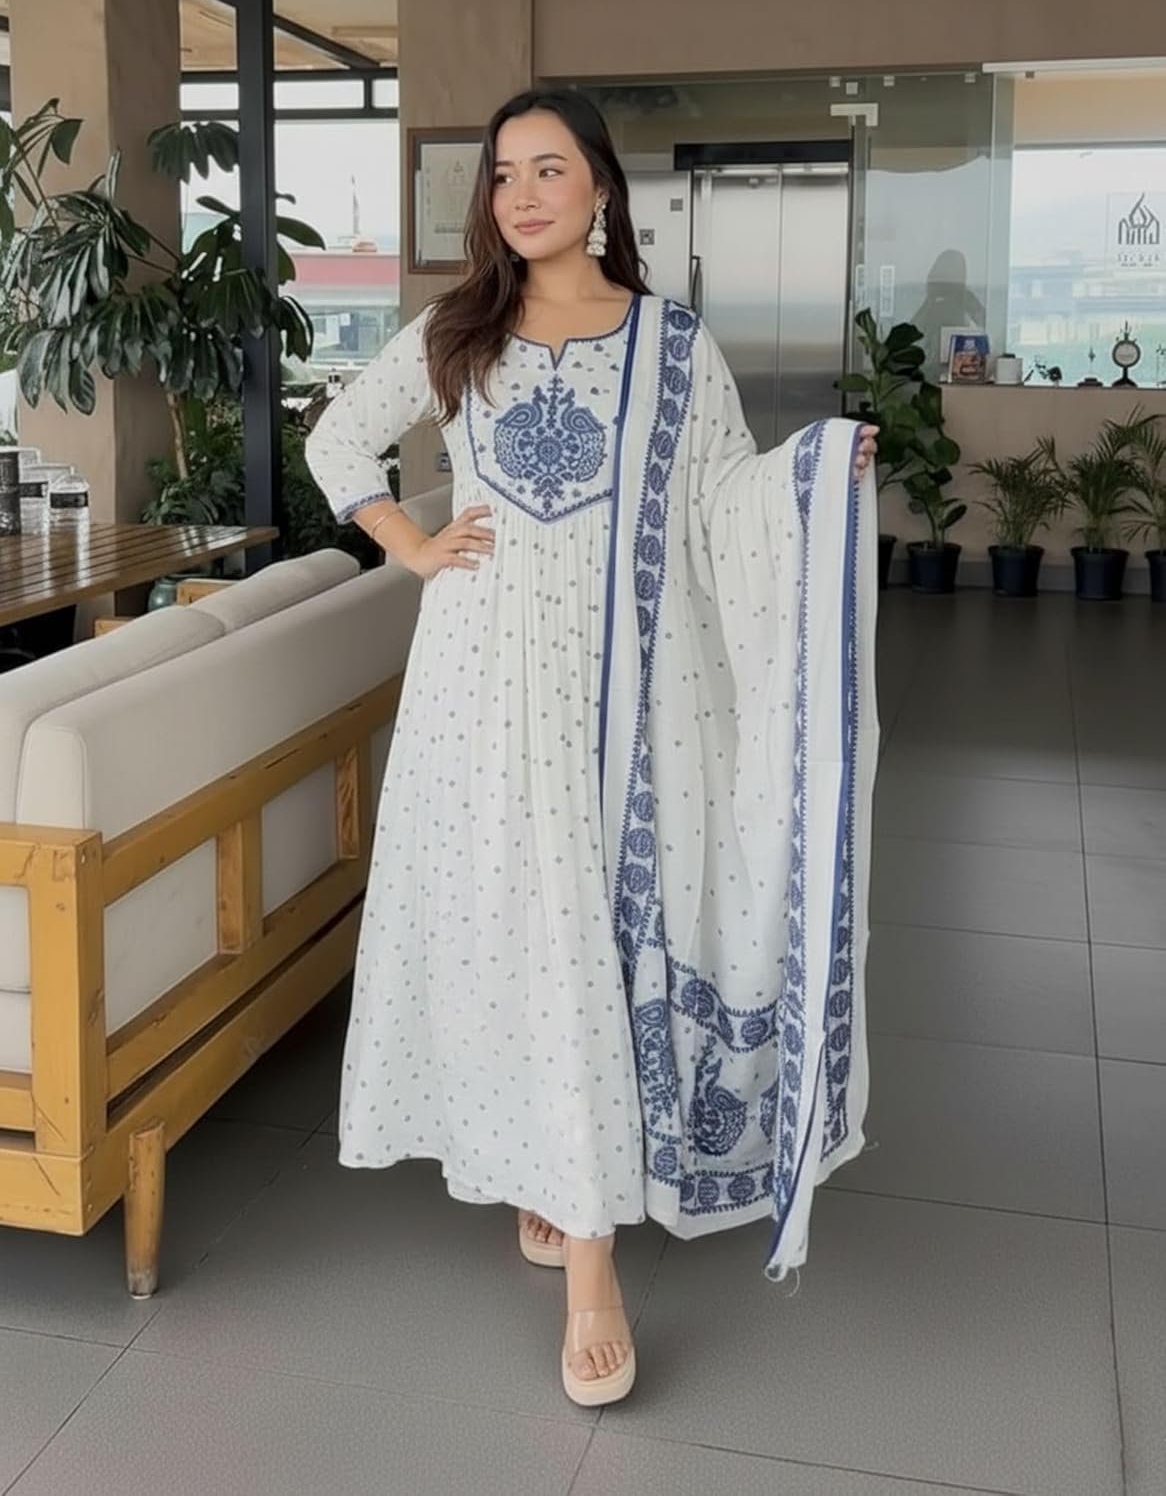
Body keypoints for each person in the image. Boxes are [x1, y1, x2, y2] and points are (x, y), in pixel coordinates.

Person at [306, 87, 879, 1409]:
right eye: (504, 173)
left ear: (601, 189)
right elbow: (338, 437)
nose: (521, 194)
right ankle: (566, 1205)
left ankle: (578, 1227)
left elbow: (723, 500)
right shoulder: (457, 331)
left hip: (634, 693)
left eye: (548, 169)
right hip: (482, 692)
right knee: (523, 936)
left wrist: (813, 475)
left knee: (597, 933)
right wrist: (413, 547)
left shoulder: (673, 345)